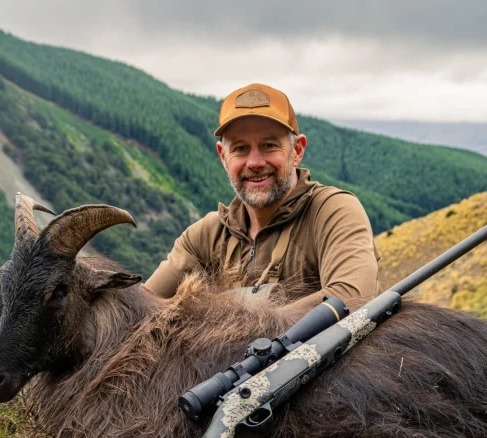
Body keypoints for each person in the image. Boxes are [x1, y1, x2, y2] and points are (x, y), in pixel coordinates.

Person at [145, 83, 379, 310]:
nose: (255, 162)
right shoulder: (204, 237)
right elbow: (142, 308)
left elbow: (352, 297)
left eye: (268, 145)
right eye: (240, 148)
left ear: (297, 151)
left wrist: (237, 325)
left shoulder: (331, 211)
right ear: (224, 158)